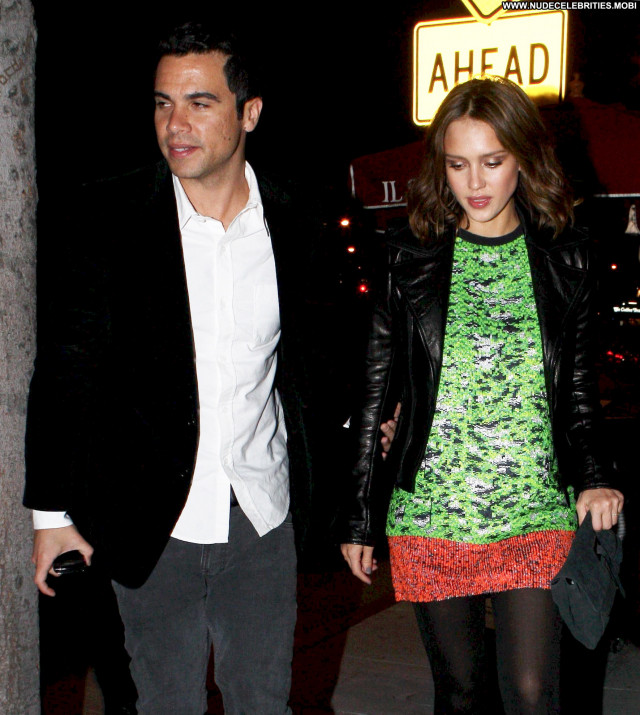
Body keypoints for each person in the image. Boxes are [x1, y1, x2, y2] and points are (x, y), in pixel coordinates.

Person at [25, 20, 315, 715]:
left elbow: (314, 362)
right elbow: (66, 367)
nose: (175, 124)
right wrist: (52, 513)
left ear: (249, 112)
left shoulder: (294, 220)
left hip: (261, 516)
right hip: (149, 525)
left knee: (264, 705)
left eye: (199, 103)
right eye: (162, 103)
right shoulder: (109, 215)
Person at [340, 76, 623, 715]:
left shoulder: (567, 257)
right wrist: (357, 517)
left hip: (535, 509)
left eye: (492, 162)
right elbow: (375, 392)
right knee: (461, 693)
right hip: (434, 513)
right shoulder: (407, 256)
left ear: (523, 157)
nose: (475, 182)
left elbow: (579, 392)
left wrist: (596, 477)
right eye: (458, 164)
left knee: (533, 693)